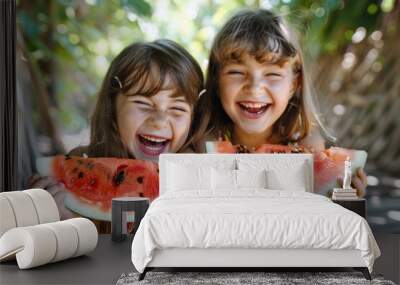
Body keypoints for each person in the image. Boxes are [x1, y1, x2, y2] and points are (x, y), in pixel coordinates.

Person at [188, 9, 367, 196]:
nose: (255, 87)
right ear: (217, 81)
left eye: (272, 74)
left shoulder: (307, 147)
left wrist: (346, 203)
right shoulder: (202, 144)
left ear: (293, 84)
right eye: (236, 72)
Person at [30, 39, 204, 232]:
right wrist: (64, 220)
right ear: (112, 106)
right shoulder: (82, 161)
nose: (159, 121)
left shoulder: (201, 178)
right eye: (143, 104)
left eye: (177, 108)